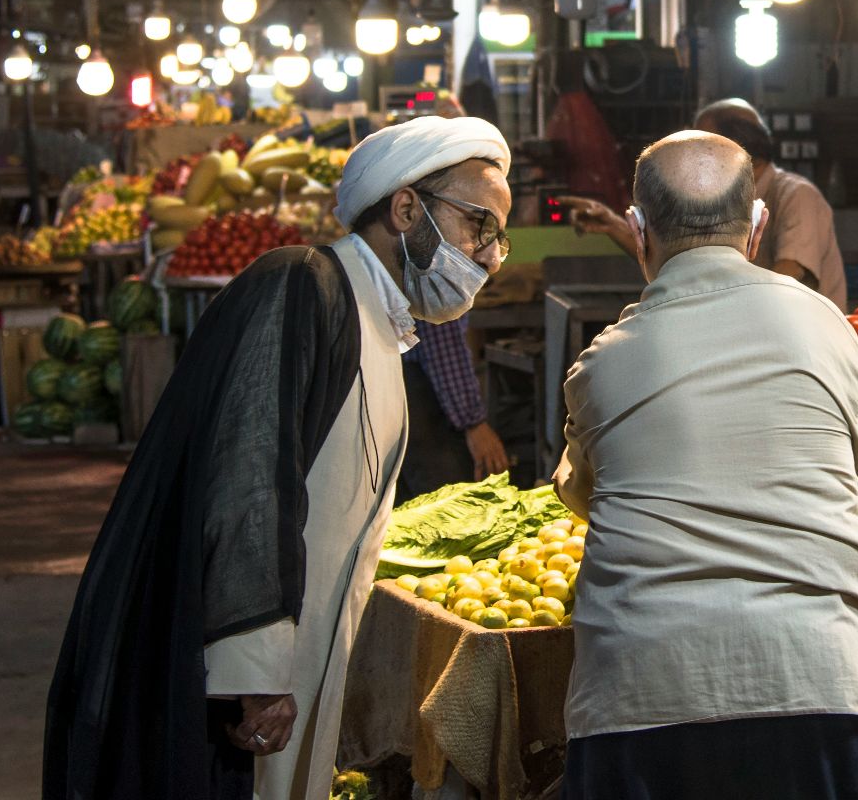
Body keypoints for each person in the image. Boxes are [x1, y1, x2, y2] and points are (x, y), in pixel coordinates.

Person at [44, 117, 513, 800]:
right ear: (406, 208)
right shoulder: (303, 285)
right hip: (239, 690)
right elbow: (249, 480)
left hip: (303, 664)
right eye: (479, 225)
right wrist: (257, 673)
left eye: (500, 236)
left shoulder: (383, 328)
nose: (491, 255)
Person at [553, 130, 858, 800]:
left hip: (638, 698)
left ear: (637, 229)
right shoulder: (828, 329)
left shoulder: (602, 365)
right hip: (817, 684)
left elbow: (581, 496)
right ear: (759, 227)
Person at [564, 98, 848, 310]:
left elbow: (790, 275)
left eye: (703, 143)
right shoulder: (725, 198)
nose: (693, 155)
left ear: (734, 145)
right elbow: (675, 260)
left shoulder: (796, 194)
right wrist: (614, 224)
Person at [399, 314, 510, 499]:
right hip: (424, 401)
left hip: (404, 387)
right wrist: (473, 423)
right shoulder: (434, 292)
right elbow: (442, 343)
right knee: (445, 501)